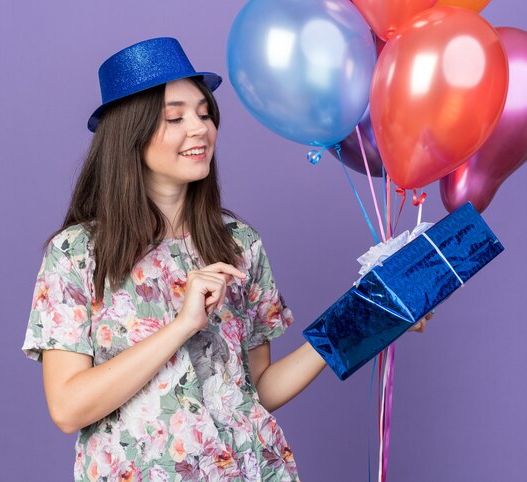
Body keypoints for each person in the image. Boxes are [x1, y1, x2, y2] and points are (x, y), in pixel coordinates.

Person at [22, 37, 430, 482]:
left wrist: (369, 315)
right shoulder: (77, 254)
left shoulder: (239, 243)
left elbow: (257, 389)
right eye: (175, 118)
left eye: (204, 113)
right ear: (129, 136)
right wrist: (181, 326)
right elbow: (67, 409)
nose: (199, 129)